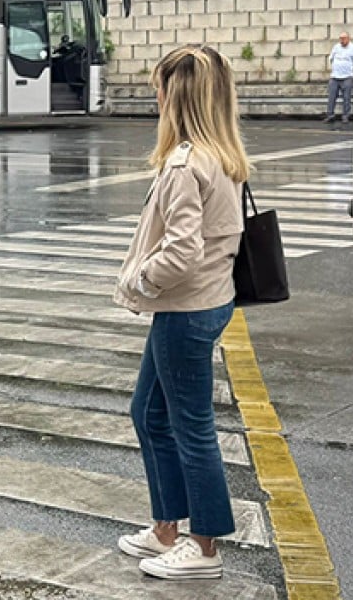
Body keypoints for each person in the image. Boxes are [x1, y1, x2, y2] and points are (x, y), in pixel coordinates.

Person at [114, 45, 251, 581]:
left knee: (190, 426)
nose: (156, 100)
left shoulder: (184, 164)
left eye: (160, 90)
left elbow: (181, 250)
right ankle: (167, 526)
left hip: (183, 309)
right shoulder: (221, 156)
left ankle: (204, 545)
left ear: (179, 98)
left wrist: (139, 280)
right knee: (148, 414)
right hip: (206, 302)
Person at [324, 32, 353, 125]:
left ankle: (345, 116)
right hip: (335, 76)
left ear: (348, 38)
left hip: (347, 77)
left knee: (346, 97)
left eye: (344, 38)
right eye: (340, 38)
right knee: (331, 96)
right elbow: (331, 58)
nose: (342, 41)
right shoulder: (336, 47)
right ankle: (330, 115)